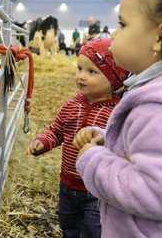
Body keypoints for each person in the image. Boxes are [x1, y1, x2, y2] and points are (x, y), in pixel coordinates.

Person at [73, 0, 162, 237]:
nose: (114, 32)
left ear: (161, 38)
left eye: (122, 24)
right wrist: (110, 140)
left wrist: (93, 161)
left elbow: (160, 195)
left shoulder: (159, 110)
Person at [27, 38, 129, 238]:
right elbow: (56, 131)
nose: (81, 76)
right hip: (67, 185)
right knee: (69, 226)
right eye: (80, 68)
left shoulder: (118, 113)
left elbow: (121, 147)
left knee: (94, 231)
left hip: (97, 190)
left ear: (115, 78)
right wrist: (43, 142)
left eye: (92, 72)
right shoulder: (71, 105)